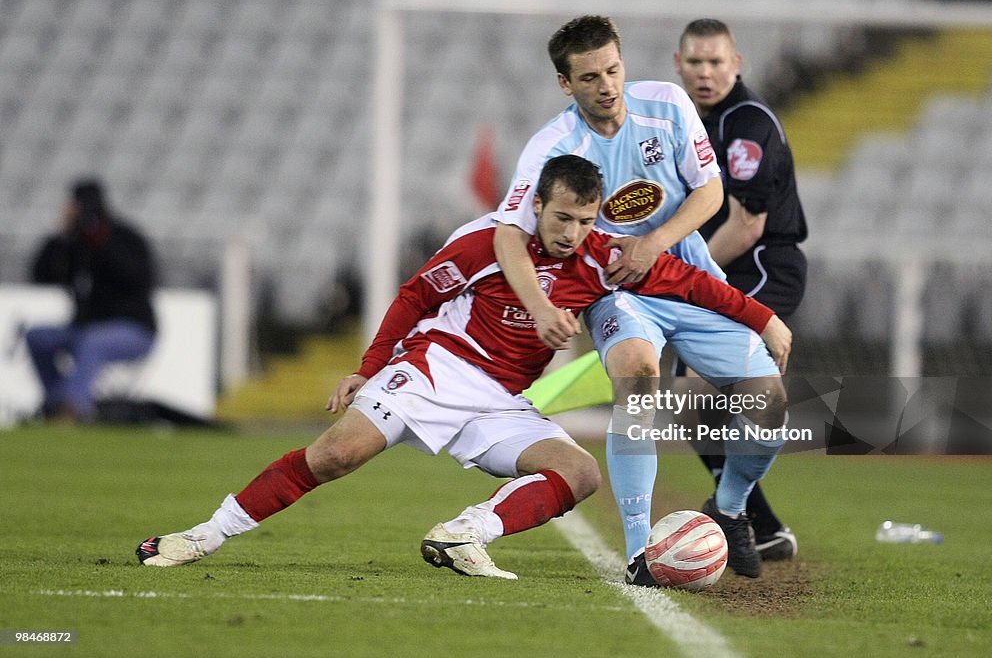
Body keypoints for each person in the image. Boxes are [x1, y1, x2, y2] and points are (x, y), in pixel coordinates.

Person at [136, 155, 790, 580]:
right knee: (336, 455)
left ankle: (462, 533)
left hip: (500, 398)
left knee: (579, 471)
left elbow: (694, 287)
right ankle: (203, 534)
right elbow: (417, 295)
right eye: (562, 216)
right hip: (436, 368)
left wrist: (762, 319)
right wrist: (370, 366)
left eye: (584, 220)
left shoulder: (602, 258)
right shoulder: (484, 243)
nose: (571, 231)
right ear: (537, 204)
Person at [493, 16, 789, 582]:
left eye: (613, 69)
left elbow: (711, 192)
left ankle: (728, 510)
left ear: (623, 62)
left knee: (769, 402)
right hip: (617, 292)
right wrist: (539, 305)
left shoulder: (668, 104)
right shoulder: (553, 146)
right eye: (589, 77)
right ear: (565, 84)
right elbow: (509, 232)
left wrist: (654, 243)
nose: (606, 85)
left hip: (688, 276)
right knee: (637, 374)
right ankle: (637, 552)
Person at [673, 18, 809, 560]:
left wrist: (681, 274)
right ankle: (758, 523)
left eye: (715, 62)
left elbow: (747, 224)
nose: (706, 73)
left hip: (760, 266)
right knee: (690, 401)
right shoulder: (697, 122)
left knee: (703, 390)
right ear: (678, 65)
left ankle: (742, 517)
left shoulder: (745, 123)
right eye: (696, 63)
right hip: (734, 268)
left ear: (737, 63)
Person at [25, 178, 158, 424]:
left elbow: (139, 277)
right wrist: (62, 238)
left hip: (134, 328)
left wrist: (100, 242)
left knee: (93, 341)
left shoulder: (125, 238)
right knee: (38, 337)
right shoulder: (73, 243)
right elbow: (41, 274)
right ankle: (55, 403)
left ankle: (74, 410)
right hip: (85, 327)